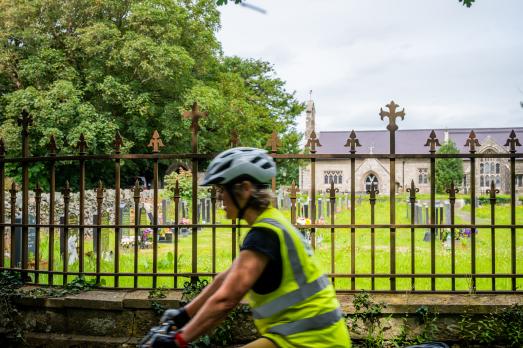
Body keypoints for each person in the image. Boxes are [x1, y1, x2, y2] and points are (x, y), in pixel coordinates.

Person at [149, 147, 351, 348]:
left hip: (314, 341)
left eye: (222, 189)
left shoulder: (265, 234)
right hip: (297, 337)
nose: (219, 198)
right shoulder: (268, 224)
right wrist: (183, 315)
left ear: (245, 189)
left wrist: (179, 340)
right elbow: (224, 280)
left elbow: (226, 299)